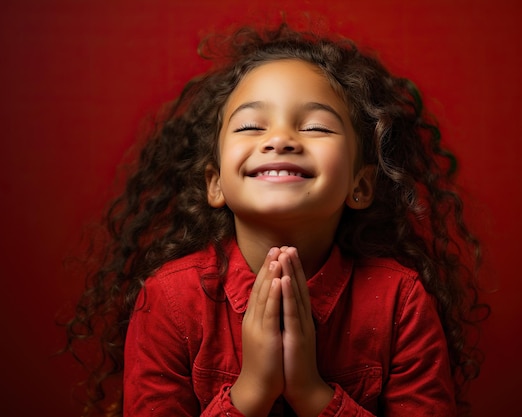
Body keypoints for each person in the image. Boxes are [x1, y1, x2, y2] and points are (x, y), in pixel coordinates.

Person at [64, 21, 488, 417]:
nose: (280, 138)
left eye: (317, 128)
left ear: (360, 186)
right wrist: (251, 391)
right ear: (215, 184)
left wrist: (311, 393)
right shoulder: (167, 302)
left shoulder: (403, 302)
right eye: (251, 125)